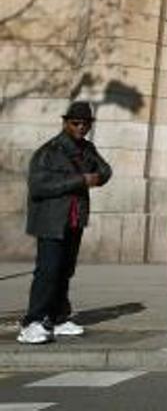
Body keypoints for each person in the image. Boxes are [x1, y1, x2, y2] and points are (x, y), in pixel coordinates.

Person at [18, 101, 112, 344]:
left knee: (64, 271)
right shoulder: (50, 151)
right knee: (47, 271)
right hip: (51, 220)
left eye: (85, 124)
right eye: (75, 123)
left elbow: (105, 172)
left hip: (74, 218)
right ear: (66, 123)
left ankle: (58, 317)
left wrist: (95, 175)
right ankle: (32, 321)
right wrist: (79, 180)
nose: (81, 127)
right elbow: (38, 187)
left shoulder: (86, 149)